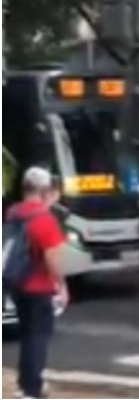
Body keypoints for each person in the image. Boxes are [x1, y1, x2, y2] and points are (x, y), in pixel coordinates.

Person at [5, 167, 69, 399]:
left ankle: (26, 383)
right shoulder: (45, 220)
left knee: (26, 334)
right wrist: (61, 286)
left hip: (17, 282)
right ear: (45, 190)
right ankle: (32, 388)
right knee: (38, 337)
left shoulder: (13, 212)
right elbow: (53, 259)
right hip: (39, 286)